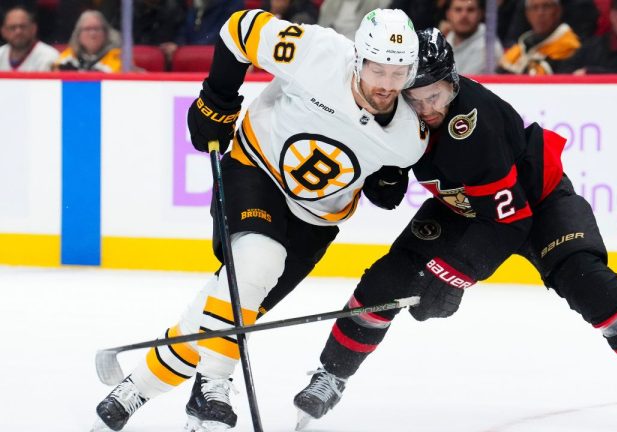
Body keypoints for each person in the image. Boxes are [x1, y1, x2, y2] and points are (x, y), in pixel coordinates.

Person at [292, 27, 617, 432]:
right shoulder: (403, 111)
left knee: (589, 283)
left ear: (452, 82)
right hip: (464, 206)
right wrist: (383, 174)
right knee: (388, 278)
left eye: (434, 96)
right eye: (414, 99)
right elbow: (390, 183)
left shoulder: (475, 127)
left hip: (538, 204)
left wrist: (448, 277)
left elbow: (511, 223)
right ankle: (330, 375)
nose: (426, 110)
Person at [91, 7, 428, 432]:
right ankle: (211, 386)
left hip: (315, 223)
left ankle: (132, 390)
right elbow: (240, 29)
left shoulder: (408, 136)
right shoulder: (317, 52)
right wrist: (217, 100)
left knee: (229, 313)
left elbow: (394, 172)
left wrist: (387, 179)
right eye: (378, 70)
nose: (386, 85)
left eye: (399, 74)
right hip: (255, 171)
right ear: (358, 58)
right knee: (258, 260)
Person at [497, 0, 581, 74]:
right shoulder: (521, 46)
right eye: (534, 7)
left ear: (558, 11)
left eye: (546, 6)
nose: (540, 13)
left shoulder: (569, 45)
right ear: (527, 14)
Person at [443, 0, 503, 75]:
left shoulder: (489, 47)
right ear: (448, 14)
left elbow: (461, 83)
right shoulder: (448, 38)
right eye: (458, 10)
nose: (464, 15)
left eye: (470, 10)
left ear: (480, 14)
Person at [53, 10, 122, 72]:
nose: (92, 34)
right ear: (78, 34)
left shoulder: (119, 58)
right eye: (88, 29)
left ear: (105, 33)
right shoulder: (67, 59)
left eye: (97, 29)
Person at [0, 6, 59, 71]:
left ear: (34, 28)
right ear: (3, 32)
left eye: (23, 27)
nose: (18, 32)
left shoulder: (50, 56)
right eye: (12, 28)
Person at [317, 0, 390, 40]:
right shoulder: (332, 3)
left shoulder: (373, 3)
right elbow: (322, 24)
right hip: (330, 38)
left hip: (354, 42)